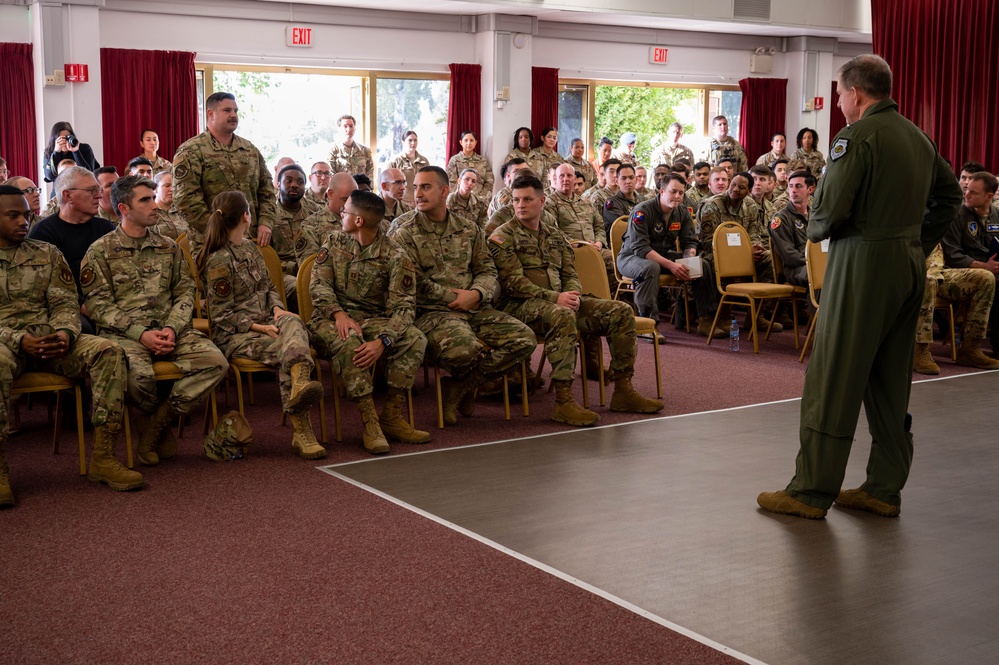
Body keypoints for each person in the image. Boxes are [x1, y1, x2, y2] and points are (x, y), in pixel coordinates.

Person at [757, 54, 962, 520]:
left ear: (856, 93)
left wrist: (818, 226)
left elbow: (825, 215)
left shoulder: (856, 137)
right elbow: (949, 195)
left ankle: (810, 490)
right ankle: (884, 488)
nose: (836, 100)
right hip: (908, 264)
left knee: (833, 375)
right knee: (891, 379)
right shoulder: (918, 136)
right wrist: (915, 239)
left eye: (838, 92)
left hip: (862, 264)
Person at [0, 185, 142, 507]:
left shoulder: (46, 253)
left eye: (26, 214)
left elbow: (66, 302)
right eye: (13, 215)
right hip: (7, 342)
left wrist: (65, 332)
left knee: (108, 350)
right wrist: (18, 339)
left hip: (52, 342)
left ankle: (104, 458)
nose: (24, 221)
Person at [489, 174, 663, 426]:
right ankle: (563, 401)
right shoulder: (502, 237)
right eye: (516, 200)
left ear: (542, 201)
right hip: (517, 306)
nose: (520, 205)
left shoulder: (555, 235)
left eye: (527, 199)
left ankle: (624, 391)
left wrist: (573, 296)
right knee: (561, 315)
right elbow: (512, 283)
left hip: (560, 302)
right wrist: (556, 298)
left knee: (621, 311)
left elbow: (570, 273)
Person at [81, 175, 229, 466]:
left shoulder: (168, 247)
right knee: (140, 379)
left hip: (170, 329)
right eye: (145, 200)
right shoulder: (100, 251)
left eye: (153, 197)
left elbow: (186, 290)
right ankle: (149, 418)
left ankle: (157, 422)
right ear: (123, 208)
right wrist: (139, 333)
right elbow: (98, 305)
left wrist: (172, 327)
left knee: (216, 363)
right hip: (125, 334)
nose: (154, 205)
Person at [389, 166, 535, 426]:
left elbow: (487, 270)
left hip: (475, 307)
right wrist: (453, 298)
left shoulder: (468, 229)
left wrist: (477, 294)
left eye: (425, 187)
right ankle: (465, 383)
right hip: (433, 313)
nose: (418, 194)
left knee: (524, 339)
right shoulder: (404, 233)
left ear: (445, 191)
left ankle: (459, 386)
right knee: (465, 350)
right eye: (415, 188)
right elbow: (414, 284)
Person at [198, 191, 327, 459]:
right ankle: (302, 432)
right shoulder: (219, 259)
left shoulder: (250, 248)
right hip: (238, 336)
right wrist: (261, 327)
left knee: (292, 320)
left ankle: (300, 383)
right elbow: (222, 316)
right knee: (290, 352)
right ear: (246, 215)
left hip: (269, 325)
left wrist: (278, 309)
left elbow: (269, 288)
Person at [309, 190, 431, 453]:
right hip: (328, 319)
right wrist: (339, 315)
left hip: (372, 321)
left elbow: (404, 308)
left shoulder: (396, 255)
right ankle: (369, 420)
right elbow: (318, 286)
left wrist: (383, 341)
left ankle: (391, 416)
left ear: (359, 221)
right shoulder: (333, 241)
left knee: (414, 338)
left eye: (346, 211)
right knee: (349, 337)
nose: (342, 213)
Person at [617, 174, 725, 339]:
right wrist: (672, 266)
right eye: (673, 191)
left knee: (701, 264)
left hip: (662, 255)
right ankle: (648, 324)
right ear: (662, 191)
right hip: (631, 258)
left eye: (681, 193)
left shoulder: (682, 211)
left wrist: (689, 261)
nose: (677, 196)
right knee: (650, 267)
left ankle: (706, 319)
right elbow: (641, 249)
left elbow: (689, 241)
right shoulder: (642, 212)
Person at [172, 92, 277, 260]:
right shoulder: (191, 151)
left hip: (251, 242)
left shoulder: (249, 150)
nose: (233, 115)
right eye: (227, 110)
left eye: (235, 110)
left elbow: (267, 191)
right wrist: (220, 231)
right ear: (210, 113)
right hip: (212, 244)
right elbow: (185, 201)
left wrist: (266, 222)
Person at [28, 166, 117, 334]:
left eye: (98, 189)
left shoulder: (106, 228)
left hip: (108, 301)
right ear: (67, 195)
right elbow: (44, 285)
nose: (99, 195)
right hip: (67, 306)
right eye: (92, 190)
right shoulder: (43, 233)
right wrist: (85, 305)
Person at [912, 244, 999, 374]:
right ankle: (920, 349)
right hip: (914, 273)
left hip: (940, 271)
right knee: (928, 280)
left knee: (985, 278)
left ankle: (970, 348)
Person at [940, 171, 999, 357]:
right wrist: (984, 267)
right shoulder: (957, 214)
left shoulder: (997, 215)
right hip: (961, 271)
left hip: (992, 269)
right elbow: (952, 254)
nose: (967, 195)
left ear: (989, 196)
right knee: (994, 281)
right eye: (967, 190)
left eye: (973, 193)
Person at [266, 164, 310, 304]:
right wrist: (294, 267)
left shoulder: (313, 213)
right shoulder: (267, 216)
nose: (294, 185)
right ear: (278, 184)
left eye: (300, 182)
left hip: (311, 270)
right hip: (281, 274)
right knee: (303, 288)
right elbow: (265, 259)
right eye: (289, 180)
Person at [768, 170, 815, 287]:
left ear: (810, 189)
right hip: (796, 270)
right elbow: (788, 255)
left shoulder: (815, 216)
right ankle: (816, 306)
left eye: (798, 186)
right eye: (791, 186)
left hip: (814, 264)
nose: (793, 190)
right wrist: (813, 262)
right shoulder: (781, 218)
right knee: (819, 275)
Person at [298, 172, 356, 263]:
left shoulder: (359, 221)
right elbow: (309, 266)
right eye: (345, 200)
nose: (349, 205)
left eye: (353, 201)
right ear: (330, 194)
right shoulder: (311, 225)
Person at [43, 122, 100, 186]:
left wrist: (76, 152)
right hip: (59, 191)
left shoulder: (84, 148)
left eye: (67, 138)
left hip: (82, 188)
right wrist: (56, 152)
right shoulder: (49, 152)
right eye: (61, 139)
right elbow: (49, 176)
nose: (65, 141)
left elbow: (88, 174)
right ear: (55, 140)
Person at [445, 131, 494, 201]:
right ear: (461, 142)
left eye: (471, 140)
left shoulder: (482, 161)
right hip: (460, 201)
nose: (469, 143)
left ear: (475, 142)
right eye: (466, 140)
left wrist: (482, 197)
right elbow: (451, 182)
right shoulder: (455, 160)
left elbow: (489, 181)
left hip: (480, 201)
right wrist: (459, 198)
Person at [387, 130, 429, 205]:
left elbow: (429, 181)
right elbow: (387, 183)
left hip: (420, 201)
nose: (413, 143)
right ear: (403, 142)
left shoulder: (424, 161)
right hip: (402, 203)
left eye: (415, 140)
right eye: (410, 140)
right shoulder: (395, 161)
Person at [327, 115, 374, 182]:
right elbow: (331, 174)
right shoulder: (333, 151)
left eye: (351, 126)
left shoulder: (365, 151)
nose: (348, 129)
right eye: (345, 126)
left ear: (355, 128)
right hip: (342, 190)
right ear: (339, 129)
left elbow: (370, 173)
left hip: (361, 190)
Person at [151, 171, 187, 240]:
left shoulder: (181, 209)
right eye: (167, 186)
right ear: (155, 189)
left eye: (174, 186)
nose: (172, 189)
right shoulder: (151, 212)